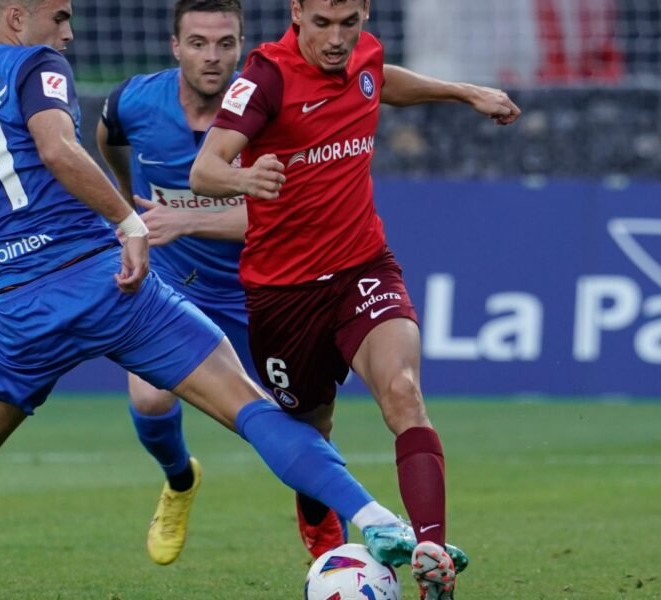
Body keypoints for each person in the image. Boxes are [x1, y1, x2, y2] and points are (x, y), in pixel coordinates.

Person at [0, 1, 431, 598]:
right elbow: (59, 148)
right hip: (106, 281)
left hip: (16, 306)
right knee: (249, 409)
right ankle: (373, 516)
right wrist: (130, 222)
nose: (69, 34)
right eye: (61, 16)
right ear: (17, 16)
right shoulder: (33, 65)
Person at [190, 0, 521, 598]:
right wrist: (244, 178)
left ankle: (432, 560)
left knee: (403, 392)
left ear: (365, 13)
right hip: (281, 292)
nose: (338, 39)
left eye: (350, 22)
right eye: (322, 24)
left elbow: (381, 81)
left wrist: (463, 92)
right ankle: (330, 555)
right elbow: (204, 169)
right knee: (308, 428)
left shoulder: (363, 55)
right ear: (297, 11)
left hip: (361, 267)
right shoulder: (266, 76)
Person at [96, 0, 348, 566]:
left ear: (242, 46)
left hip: (263, 289)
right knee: (150, 394)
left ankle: (319, 520)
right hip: (171, 286)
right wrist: (123, 201)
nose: (213, 57)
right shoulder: (133, 102)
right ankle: (180, 480)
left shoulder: (272, 111)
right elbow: (106, 136)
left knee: (308, 420)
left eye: (225, 44)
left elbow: (286, 213)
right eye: (199, 42)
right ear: (175, 46)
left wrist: (183, 218)